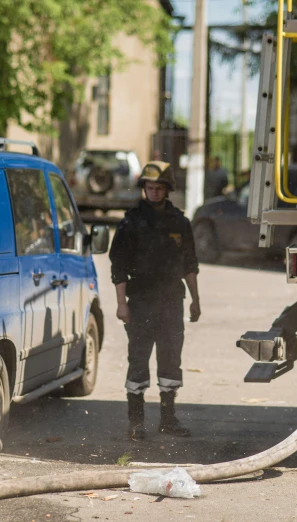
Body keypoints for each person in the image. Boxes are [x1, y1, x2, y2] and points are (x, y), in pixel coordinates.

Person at [109, 161, 201, 441]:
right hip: (140, 302)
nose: (155, 192)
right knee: (138, 361)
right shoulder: (131, 222)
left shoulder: (180, 222)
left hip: (172, 301)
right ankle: (135, 423)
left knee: (171, 360)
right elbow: (119, 266)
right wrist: (121, 303)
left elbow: (190, 265)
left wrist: (196, 301)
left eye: (160, 188)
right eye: (150, 188)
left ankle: (168, 419)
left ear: (168, 190)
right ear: (144, 189)